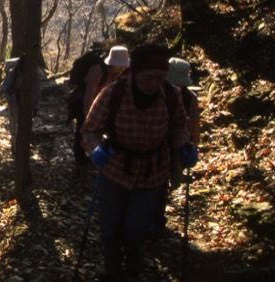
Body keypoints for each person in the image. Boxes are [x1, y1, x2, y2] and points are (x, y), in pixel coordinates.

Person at [81, 44, 198, 281]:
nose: (154, 83)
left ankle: (133, 260)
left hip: (152, 171)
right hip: (115, 168)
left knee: (137, 225)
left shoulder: (171, 95)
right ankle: (112, 267)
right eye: (148, 77)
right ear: (134, 72)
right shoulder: (113, 93)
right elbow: (90, 129)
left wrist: (184, 145)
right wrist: (94, 150)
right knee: (111, 224)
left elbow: (178, 127)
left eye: (159, 78)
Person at [154, 57, 202, 232]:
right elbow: (194, 126)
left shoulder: (159, 93)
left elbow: (192, 125)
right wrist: (192, 145)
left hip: (164, 145)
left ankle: (154, 218)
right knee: (164, 182)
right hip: (175, 147)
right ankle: (156, 218)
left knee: (159, 183)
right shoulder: (191, 98)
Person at [72, 45, 130, 165]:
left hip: (100, 104)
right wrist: (88, 114)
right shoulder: (98, 70)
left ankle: (94, 154)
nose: (122, 68)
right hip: (84, 102)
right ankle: (80, 158)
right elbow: (89, 93)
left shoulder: (118, 74)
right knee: (82, 130)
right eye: (120, 65)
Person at [0, 54, 43, 151]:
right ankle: (16, 145)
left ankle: (21, 144)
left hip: (22, 102)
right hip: (16, 101)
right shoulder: (16, 71)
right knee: (15, 124)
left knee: (20, 124)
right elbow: (6, 87)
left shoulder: (33, 72)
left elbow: (37, 91)